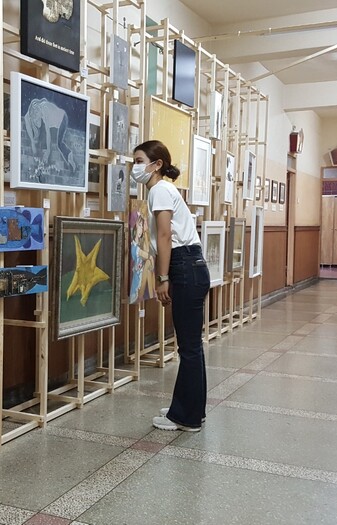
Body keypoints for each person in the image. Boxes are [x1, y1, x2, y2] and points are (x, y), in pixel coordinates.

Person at [131, 140, 210, 432]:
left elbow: (164, 236)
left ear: (157, 164)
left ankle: (185, 417)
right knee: (192, 346)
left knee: (189, 347)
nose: (135, 167)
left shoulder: (160, 190)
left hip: (183, 265)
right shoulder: (162, 191)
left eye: (139, 160)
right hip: (191, 265)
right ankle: (190, 409)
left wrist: (162, 278)